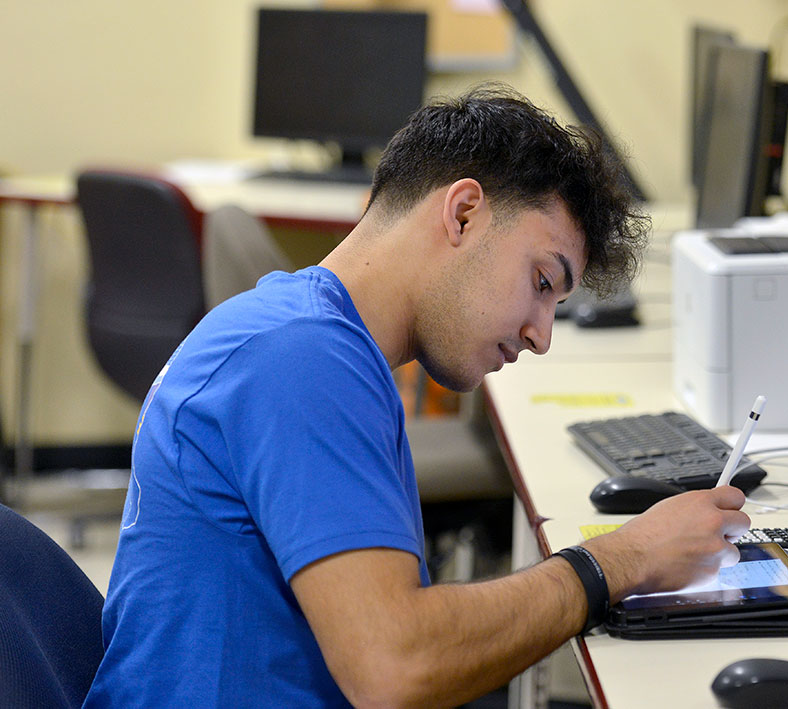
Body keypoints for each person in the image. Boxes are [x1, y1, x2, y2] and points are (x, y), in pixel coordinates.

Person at [84, 86, 750, 708]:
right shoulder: (302, 359)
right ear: (462, 213)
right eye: (541, 281)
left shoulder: (314, 334)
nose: (540, 334)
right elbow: (394, 665)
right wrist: (621, 558)